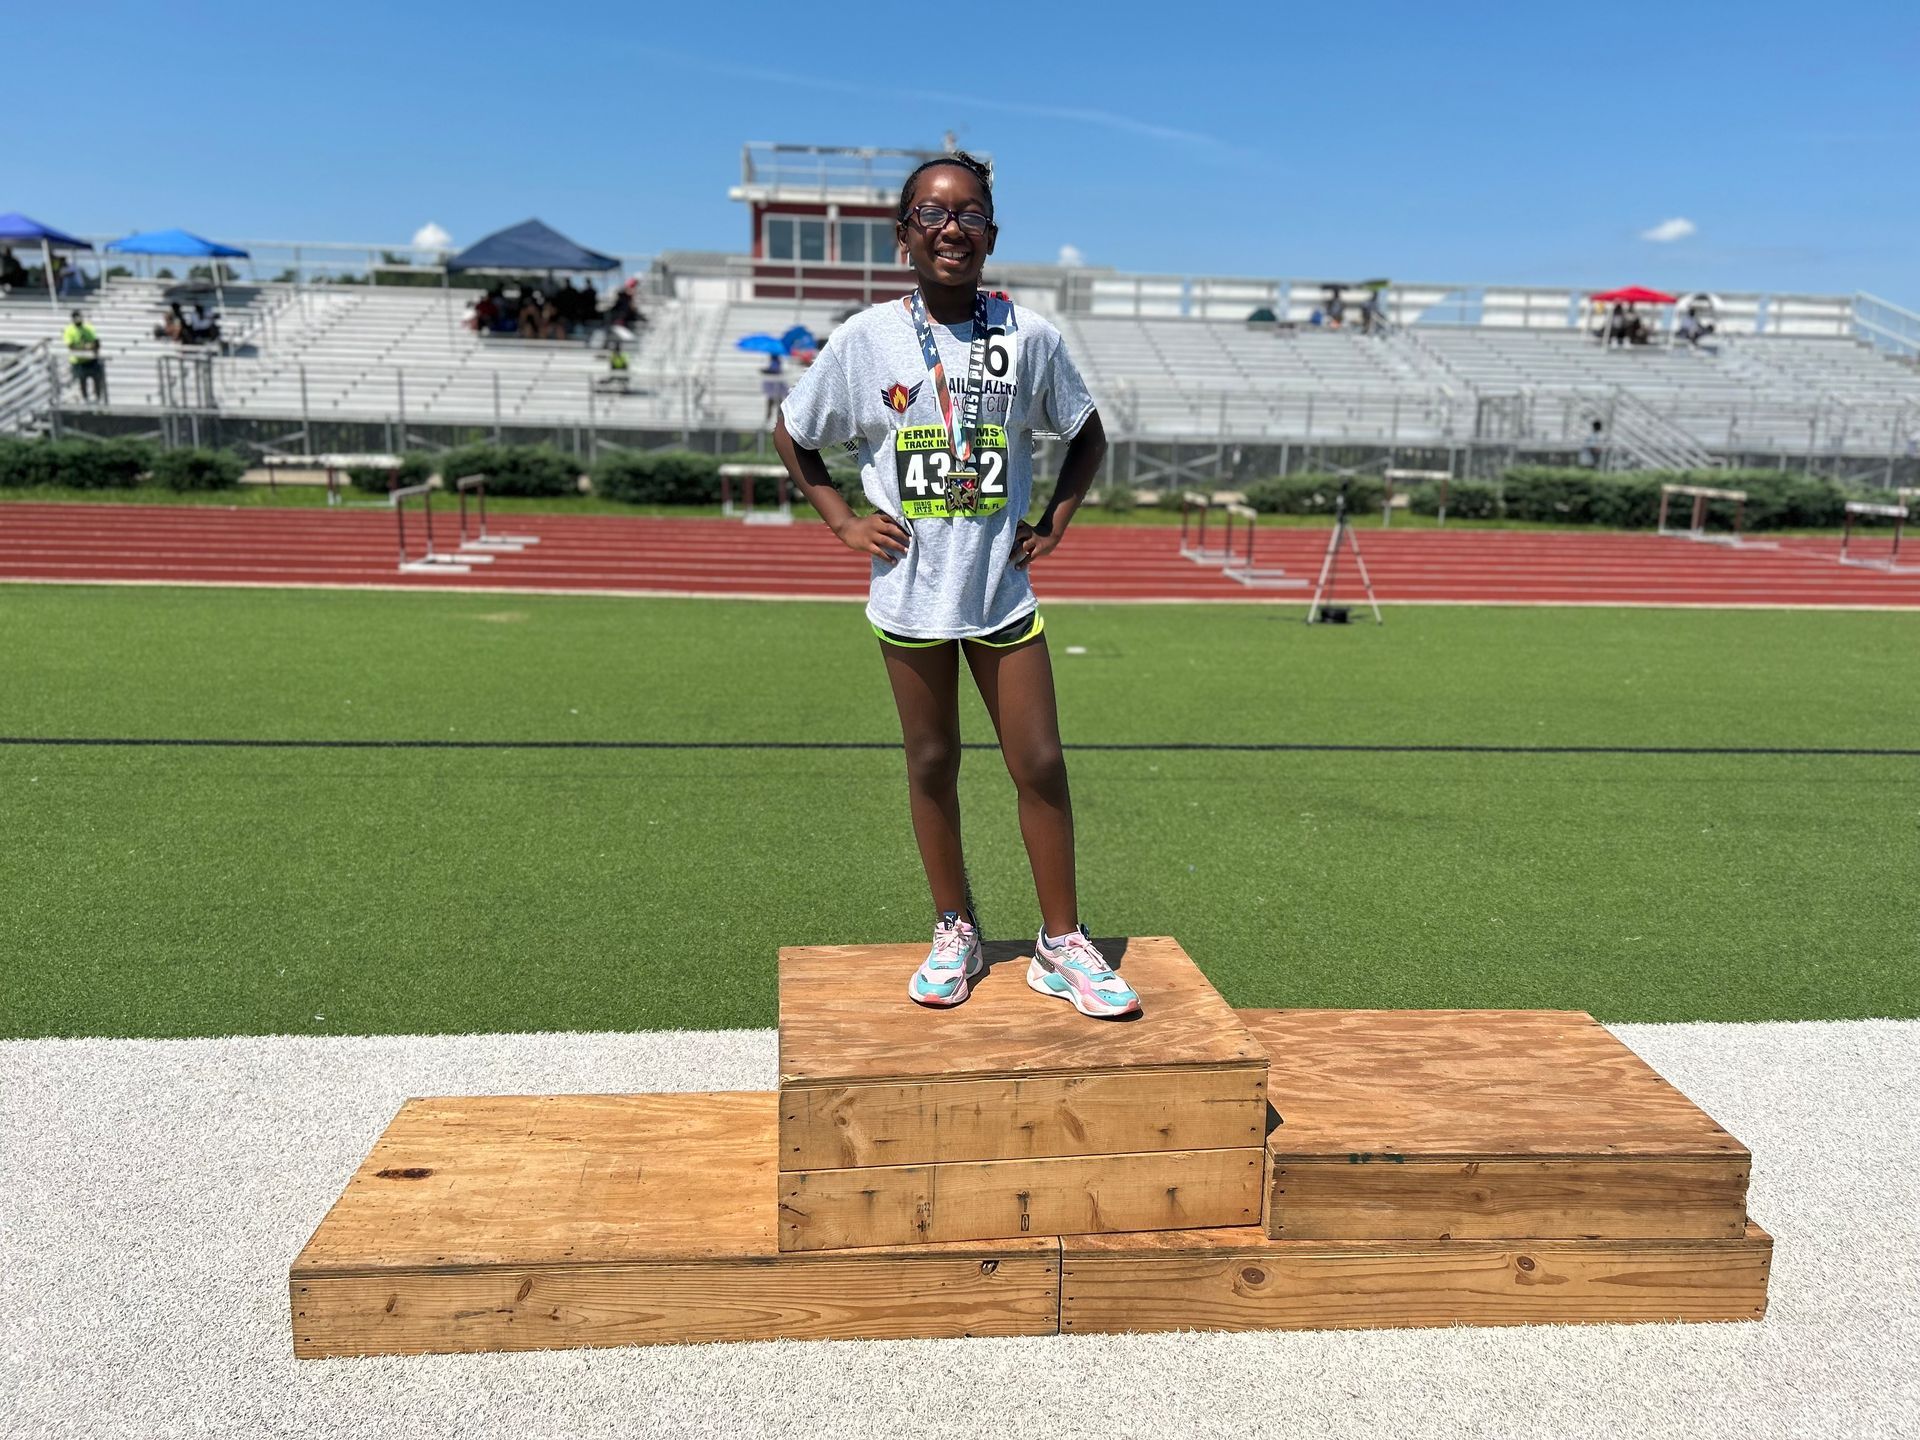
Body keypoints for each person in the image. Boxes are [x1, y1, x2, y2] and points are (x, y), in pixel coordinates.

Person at [771, 150, 1138, 1020]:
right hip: (910, 595)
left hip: (1001, 596)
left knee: (1039, 762)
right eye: (932, 215)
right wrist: (841, 520)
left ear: (991, 234)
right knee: (932, 763)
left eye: (970, 214)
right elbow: (792, 434)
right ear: (904, 238)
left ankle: (1061, 943)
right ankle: (955, 928)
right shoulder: (866, 340)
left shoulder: (1030, 334)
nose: (951, 229)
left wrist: (1055, 521)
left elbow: (1088, 436)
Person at [64, 309, 106, 403]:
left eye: (79, 317)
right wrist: (86, 347)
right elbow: (71, 346)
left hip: (91, 359)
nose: (78, 319)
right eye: (75, 318)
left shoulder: (88, 328)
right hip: (78, 361)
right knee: (82, 380)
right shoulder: (69, 330)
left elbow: (96, 343)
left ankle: (98, 398)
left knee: (97, 379)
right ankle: (85, 398)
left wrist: (86, 347)